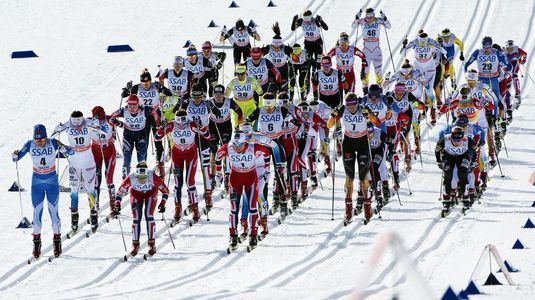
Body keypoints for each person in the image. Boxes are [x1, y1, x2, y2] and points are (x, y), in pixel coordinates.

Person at [12, 125, 73, 259]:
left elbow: (70, 152)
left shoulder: (53, 142)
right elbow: (16, 157)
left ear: (46, 137)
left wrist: (65, 149)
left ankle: (57, 243)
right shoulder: (29, 144)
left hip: (51, 181)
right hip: (37, 183)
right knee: (36, 216)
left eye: (42, 139)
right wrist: (15, 155)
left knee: (54, 216)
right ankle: (36, 244)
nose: (39, 142)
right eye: (37, 140)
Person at [327, 93, 379, 223]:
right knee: (349, 177)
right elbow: (328, 125)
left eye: (353, 105)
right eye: (349, 106)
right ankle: (348, 212)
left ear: (357, 103)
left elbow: (377, 121)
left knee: (363, 177)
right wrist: (332, 117)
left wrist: (370, 116)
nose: (351, 108)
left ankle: (368, 209)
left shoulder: (363, 108)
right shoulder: (342, 109)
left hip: (363, 143)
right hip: (348, 143)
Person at [215, 130, 267, 251]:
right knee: (234, 209)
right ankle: (233, 236)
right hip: (235, 180)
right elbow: (218, 155)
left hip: (251, 179)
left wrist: (267, 168)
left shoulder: (253, 147)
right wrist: (218, 173)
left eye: (240, 145)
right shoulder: (228, 147)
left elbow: (267, 152)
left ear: (245, 142)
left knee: (252, 207)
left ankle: (253, 234)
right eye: (235, 145)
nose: (237, 148)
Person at [121, 69, 172, 177]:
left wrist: (162, 87)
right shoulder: (136, 87)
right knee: (145, 143)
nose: (146, 85)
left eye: (148, 83)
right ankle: (143, 166)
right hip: (142, 116)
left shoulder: (155, 86)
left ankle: (161, 165)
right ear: (141, 82)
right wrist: (127, 88)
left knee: (158, 140)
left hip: (155, 115)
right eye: (144, 83)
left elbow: (169, 93)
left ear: (150, 81)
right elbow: (123, 95)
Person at [54, 111, 100, 232]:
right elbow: (53, 135)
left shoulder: (88, 122)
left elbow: (102, 129)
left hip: (88, 160)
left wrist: (97, 124)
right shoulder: (67, 124)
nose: (78, 127)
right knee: (74, 189)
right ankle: (74, 216)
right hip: (73, 161)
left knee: (90, 188)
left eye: (80, 124)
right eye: (75, 124)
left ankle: (93, 214)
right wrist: (57, 129)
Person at [113, 161, 169, 257]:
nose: (142, 181)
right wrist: (117, 205)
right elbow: (119, 193)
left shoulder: (153, 177)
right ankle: (135, 245)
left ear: (147, 175)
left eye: (144, 178)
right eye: (139, 178)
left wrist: (162, 203)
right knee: (136, 218)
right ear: (136, 175)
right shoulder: (131, 178)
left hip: (150, 194)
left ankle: (151, 244)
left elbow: (166, 191)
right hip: (136, 195)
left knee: (149, 216)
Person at [155, 110, 201, 223]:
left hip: (191, 154)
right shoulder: (171, 124)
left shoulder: (191, 123)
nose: (181, 125)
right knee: (177, 184)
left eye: (183, 122)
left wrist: (200, 125)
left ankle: (195, 208)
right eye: (179, 122)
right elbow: (157, 137)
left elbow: (207, 135)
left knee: (190, 182)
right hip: (177, 155)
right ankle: (177, 207)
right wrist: (162, 128)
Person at [177, 83, 214, 211]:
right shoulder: (187, 103)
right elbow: (178, 114)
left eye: (199, 97)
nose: (196, 100)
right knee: (189, 169)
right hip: (190, 137)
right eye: (194, 97)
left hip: (203, 136)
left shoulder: (206, 103)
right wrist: (180, 104)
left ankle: (208, 194)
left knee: (205, 166)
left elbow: (217, 112)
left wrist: (212, 107)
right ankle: (190, 196)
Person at [110, 94, 161, 178]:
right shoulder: (124, 110)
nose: (132, 108)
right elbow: (111, 117)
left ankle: (142, 179)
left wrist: (158, 122)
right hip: (128, 136)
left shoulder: (144, 109)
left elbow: (155, 112)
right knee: (127, 159)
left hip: (141, 136)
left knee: (142, 159)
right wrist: (118, 124)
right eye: (130, 106)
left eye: (134, 106)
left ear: (138, 104)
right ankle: (125, 179)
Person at [403, 31, 447, 125]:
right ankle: (417, 113)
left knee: (429, 90)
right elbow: (403, 52)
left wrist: (439, 45)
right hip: (418, 69)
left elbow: (444, 51)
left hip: (430, 69)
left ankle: (432, 112)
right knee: (417, 92)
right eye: (421, 44)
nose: (423, 45)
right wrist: (404, 47)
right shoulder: (415, 42)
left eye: (424, 44)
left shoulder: (431, 42)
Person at [435, 126, 478, 215]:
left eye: (459, 140)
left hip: (463, 156)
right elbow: (437, 150)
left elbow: (475, 151)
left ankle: (465, 196)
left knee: (463, 172)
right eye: (454, 140)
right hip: (448, 157)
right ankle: (446, 198)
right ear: (451, 137)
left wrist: (473, 162)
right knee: (448, 173)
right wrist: (439, 161)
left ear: (463, 137)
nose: (457, 142)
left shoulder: (468, 140)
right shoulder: (445, 140)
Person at [352, 8, 391, 88]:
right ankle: (365, 90)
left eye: (371, 15)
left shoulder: (378, 20)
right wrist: (357, 17)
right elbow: (353, 26)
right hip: (366, 51)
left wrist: (384, 18)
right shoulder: (362, 21)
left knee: (378, 72)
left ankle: (380, 89)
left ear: (374, 15)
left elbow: (389, 26)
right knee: (365, 72)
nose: (369, 18)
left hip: (376, 50)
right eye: (367, 15)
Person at [90, 106, 117, 213]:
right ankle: (95, 203)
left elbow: (119, 119)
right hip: (95, 151)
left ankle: (113, 203)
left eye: (100, 117)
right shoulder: (89, 121)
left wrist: (116, 125)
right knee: (96, 179)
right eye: (95, 117)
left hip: (109, 150)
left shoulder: (109, 119)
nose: (98, 119)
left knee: (109, 179)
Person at [261, 22, 293, 94]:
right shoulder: (268, 48)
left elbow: (295, 58)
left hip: (283, 70)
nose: (276, 48)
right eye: (274, 46)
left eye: (278, 46)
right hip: (271, 70)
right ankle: (271, 103)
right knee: (271, 90)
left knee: (283, 90)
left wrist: (291, 52)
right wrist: (261, 51)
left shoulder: (285, 48)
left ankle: (284, 102)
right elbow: (258, 53)